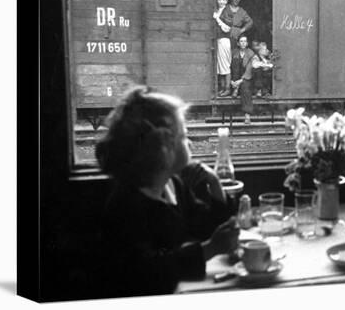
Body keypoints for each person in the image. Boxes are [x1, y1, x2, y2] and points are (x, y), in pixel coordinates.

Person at [95, 86, 239, 297]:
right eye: (183, 136)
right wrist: (208, 250)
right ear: (162, 149)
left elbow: (206, 226)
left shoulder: (172, 185)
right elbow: (146, 271)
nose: (189, 142)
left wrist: (215, 184)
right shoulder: (126, 204)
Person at [230, 35, 255, 124]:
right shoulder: (234, 52)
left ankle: (247, 115)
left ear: (247, 43)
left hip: (246, 79)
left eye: (245, 41)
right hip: (235, 78)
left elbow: (249, 69)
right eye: (241, 41)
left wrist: (240, 81)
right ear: (238, 43)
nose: (243, 43)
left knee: (245, 89)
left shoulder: (251, 53)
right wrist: (231, 80)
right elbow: (230, 67)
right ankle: (235, 87)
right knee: (235, 63)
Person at [213, 0, 233, 97]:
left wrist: (217, 19)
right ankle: (222, 88)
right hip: (218, 40)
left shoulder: (227, 11)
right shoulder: (218, 10)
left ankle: (227, 89)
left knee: (225, 65)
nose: (221, 1)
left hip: (224, 40)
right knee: (219, 65)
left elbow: (227, 28)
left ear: (226, 1)